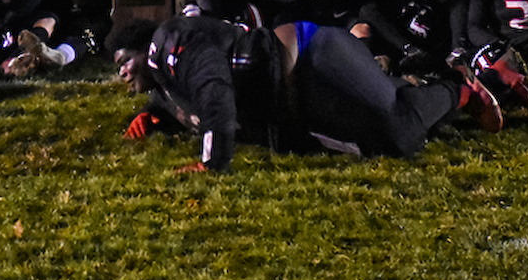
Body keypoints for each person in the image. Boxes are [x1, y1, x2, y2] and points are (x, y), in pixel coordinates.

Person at [108, 13, 502, 173]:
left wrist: (213, 162)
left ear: (146, 49)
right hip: (297, 101)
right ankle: (488, 86)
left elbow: (214, 92)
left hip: (312, 56)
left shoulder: (172, 44)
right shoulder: (166, 81)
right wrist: (151, 116)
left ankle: (458, 90)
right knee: (374, 140)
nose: (123, 73)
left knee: (398, 133)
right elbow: (178, 99)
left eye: (125, 61)